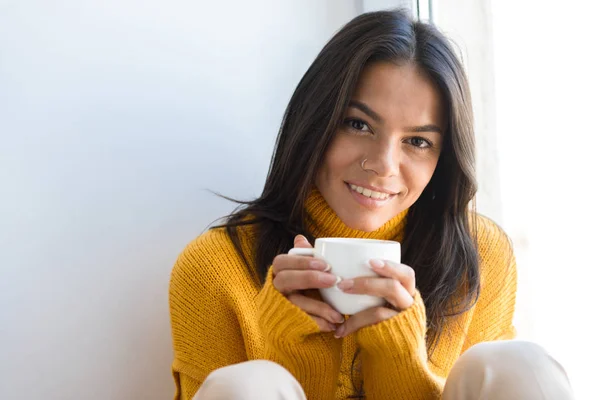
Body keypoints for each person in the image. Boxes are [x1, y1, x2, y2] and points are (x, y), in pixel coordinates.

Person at [169, 10, 574, 400]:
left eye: (417, 142)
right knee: (246, 386)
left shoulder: (482, 256)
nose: (382, 165)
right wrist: (293, 349)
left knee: (517, 364)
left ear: (443, 157)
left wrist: (398, 355)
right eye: (358, 124)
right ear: (315, 122)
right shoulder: (215, 268)